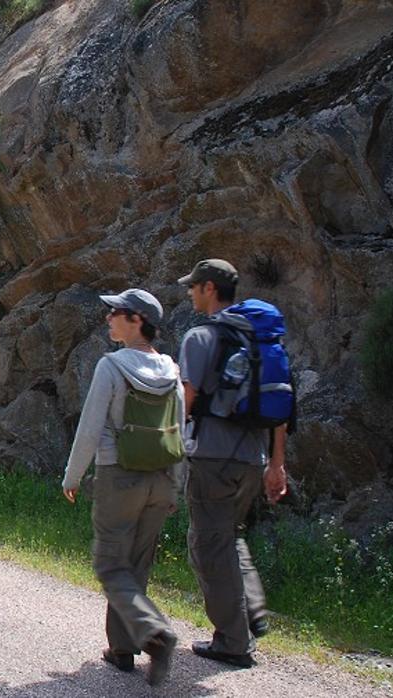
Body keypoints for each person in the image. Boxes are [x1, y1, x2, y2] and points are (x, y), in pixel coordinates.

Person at [62, 289, 182, 686]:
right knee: (136, 564)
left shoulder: (111, 366)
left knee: (111, 563)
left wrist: (72, 476)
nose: (108, 318)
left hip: (120, 475)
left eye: (115, 312)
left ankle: (154, 635)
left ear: (136, 320)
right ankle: (122, 649)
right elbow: (180, 430)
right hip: (161, 479)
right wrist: (176, 487)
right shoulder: (171, 370)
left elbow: (91, 426)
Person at [177, 259, 289, 668]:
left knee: (208, 545)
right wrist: (276, 465)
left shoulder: (201, 337)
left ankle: (233, 641)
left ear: (209, 288)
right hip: (251, 459)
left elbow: (186, 401)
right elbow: (281, 409)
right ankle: (252, 610)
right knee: (231, 534)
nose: (190, 292)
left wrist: (170, 451)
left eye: (193, 286)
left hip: (212, 456)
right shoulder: (260, 340)